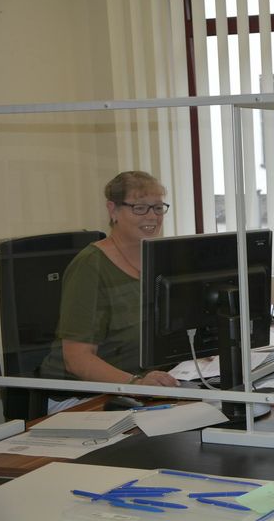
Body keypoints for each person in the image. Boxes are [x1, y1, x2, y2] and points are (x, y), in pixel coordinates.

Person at [41, 171, 179, 410]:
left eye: (158, 208)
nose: (152, 216)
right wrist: (136, 383)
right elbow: (76, 359)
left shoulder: (161, 258)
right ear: (113, 210)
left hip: (142, 387)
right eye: (139, 208)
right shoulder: (90, 266)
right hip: (82, 396)